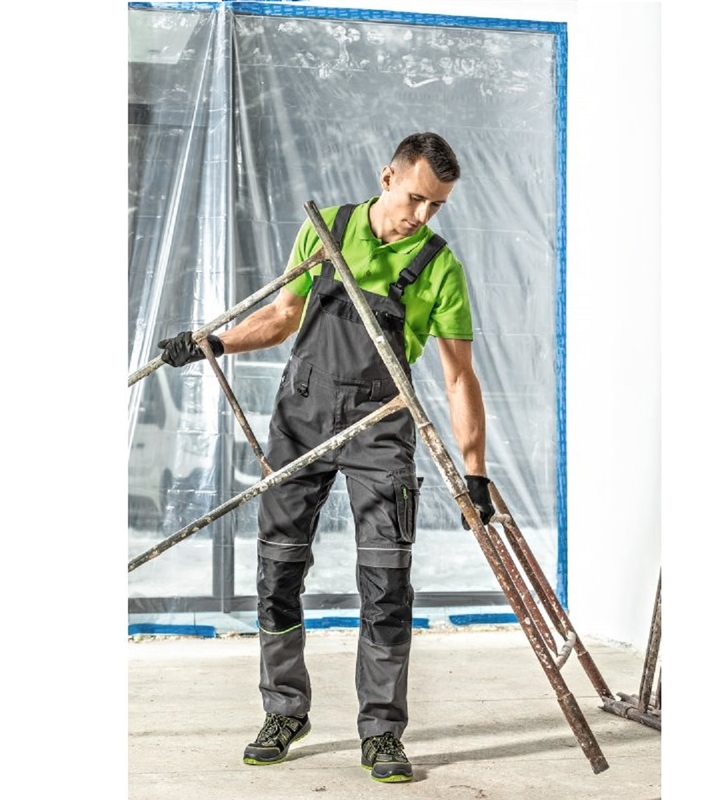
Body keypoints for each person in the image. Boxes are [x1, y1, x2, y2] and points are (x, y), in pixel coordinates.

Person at [157, 132, 495, 783]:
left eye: (438, 206)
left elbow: (459, 379)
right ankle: (284, 710)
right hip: (302, 416)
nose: (423, 216)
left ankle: (382, 730)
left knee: (387, 583)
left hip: (383, 426)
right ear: (388, 176)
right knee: (278, 571)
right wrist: (211, 344)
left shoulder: (440, 266)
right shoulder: (329, 230)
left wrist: (474, 474)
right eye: (416, 198)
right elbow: (282, 317)